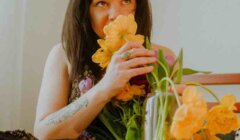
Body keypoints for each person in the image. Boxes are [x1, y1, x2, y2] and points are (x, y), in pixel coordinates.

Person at [33, 0, 176, 139]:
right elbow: (44, 133)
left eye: (126, 1)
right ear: (85, 10)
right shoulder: (64, 55)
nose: (115, 15)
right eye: (101, 3)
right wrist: (106, 86)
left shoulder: (161, 58)